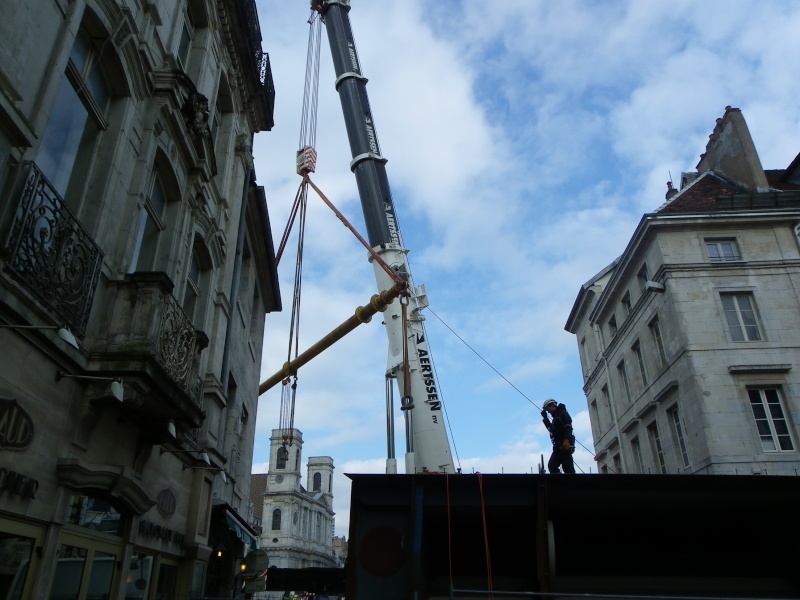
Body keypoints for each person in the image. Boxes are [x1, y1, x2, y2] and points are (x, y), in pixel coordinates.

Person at [541, 398, 575, 474]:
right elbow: (552, 430)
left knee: (568, 468)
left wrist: (567, 440)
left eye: (548, 409)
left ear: (553, 406)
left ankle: (573, 484)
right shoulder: (555, 419)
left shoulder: (563, 414)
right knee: (552, 466)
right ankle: (560, 483)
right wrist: (545, 418)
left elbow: (568, 427)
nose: (548, 411)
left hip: (564, 445)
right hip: (558, 446)